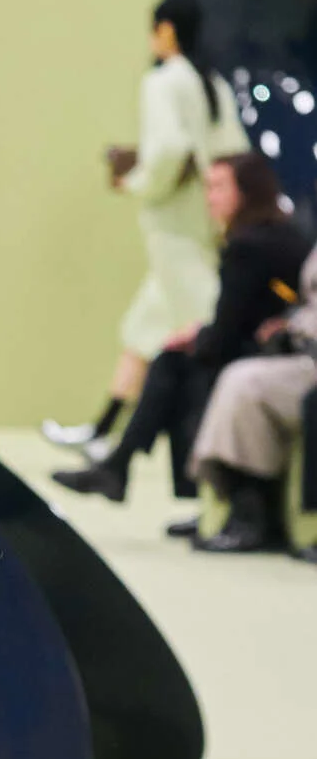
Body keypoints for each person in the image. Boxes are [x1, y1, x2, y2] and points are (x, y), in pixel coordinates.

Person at [51, 151, 309, 522]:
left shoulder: (248, 246)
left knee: (179, 367)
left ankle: (129, 468)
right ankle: (124, 467)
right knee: (174, 359)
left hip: (286, 355)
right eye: (207, 187)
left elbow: (225, 335)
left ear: (247, 191)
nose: (209, 197)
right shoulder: (273, 234)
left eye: (218, 187)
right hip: (277, 348)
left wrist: (198, 337)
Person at [42, 0, 246, 459]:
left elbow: (169, 149)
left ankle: (218, 449)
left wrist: (138, 180)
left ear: (167, 30)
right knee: (143, 328)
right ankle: (103, 433)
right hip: (201, 226)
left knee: (211, 328)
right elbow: (231, 152)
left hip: (172, 228)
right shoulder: (211, 84)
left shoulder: (165, 81)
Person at [188, 241, 317, 552]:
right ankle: (246, 510)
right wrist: (291, 323)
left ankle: (250, 516)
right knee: (227, 374)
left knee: (243, 382)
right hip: (303, 353)